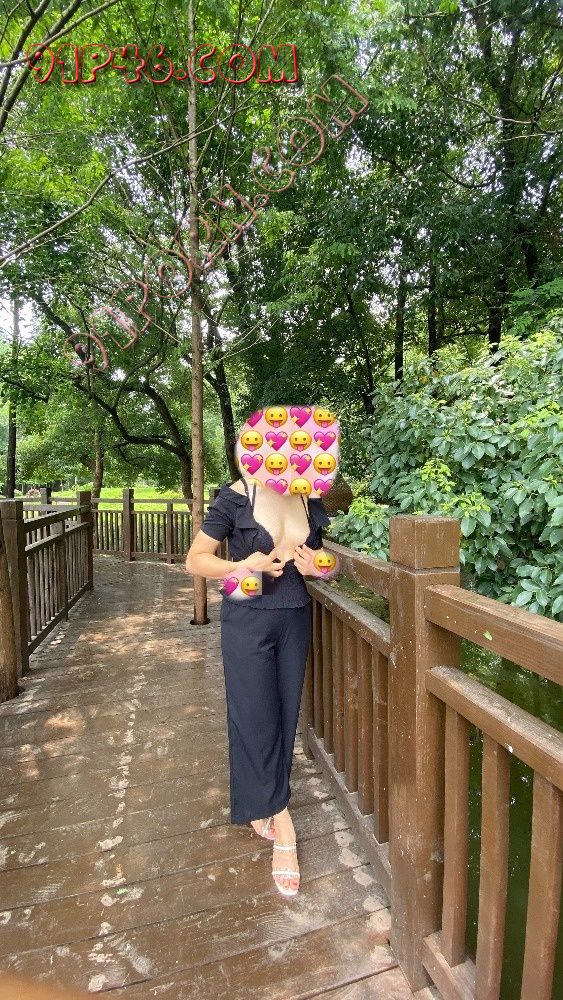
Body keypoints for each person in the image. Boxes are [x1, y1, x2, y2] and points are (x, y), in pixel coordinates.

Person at [185, 469, 334, 897]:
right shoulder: (235, 497)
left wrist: (320, 567)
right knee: (253, 717)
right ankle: (283, 824)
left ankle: (263, 802)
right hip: (246, 615)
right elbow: (196, 559)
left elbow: (323, 559)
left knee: (285, 716)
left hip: (294, 616)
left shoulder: (308, 496)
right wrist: (241, 565)